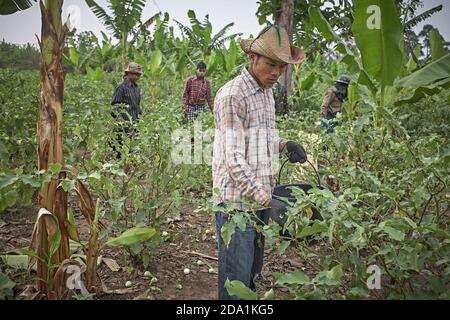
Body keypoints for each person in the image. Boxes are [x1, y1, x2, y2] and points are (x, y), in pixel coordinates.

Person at [212, 24, 307, 300]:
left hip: (259, 200)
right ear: (252, 58)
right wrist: (268, 200)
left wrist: (284, 145)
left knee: (251, 275)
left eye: (281, 66)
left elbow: (259, 141)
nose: (276, 73)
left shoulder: (266, 93)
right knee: (236, 282)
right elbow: (234, 159)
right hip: (237, 206)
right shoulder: (233, 95)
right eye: (270, 64)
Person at [110, 62, 143, 158]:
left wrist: (140, 119)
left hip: (135, 123)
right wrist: (121, 121)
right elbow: (114, 106)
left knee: (132, 149)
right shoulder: (121, 87)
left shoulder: (137, 88)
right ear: (128, 74)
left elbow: (136, 105)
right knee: (121, 151)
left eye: (138, 74)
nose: (137, 76)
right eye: (135, 74)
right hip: (124, 124)